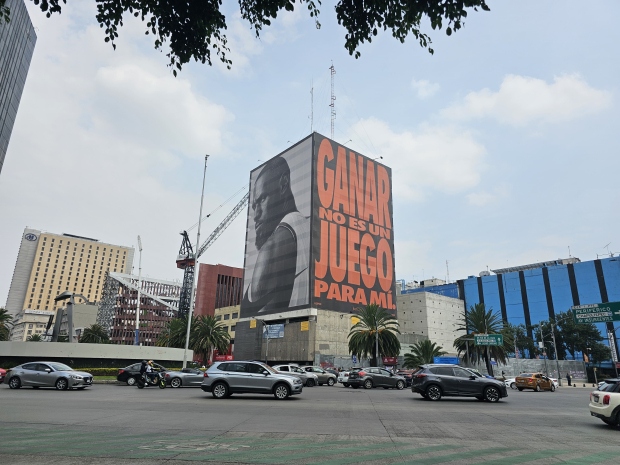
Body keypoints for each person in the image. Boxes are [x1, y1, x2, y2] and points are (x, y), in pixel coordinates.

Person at [242, 156, 310, 315]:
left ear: (283, 184)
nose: (256, 215)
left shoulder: (272, 247)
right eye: (254, 207)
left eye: (262, 199)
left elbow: (256, 327)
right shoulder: (312, 226)